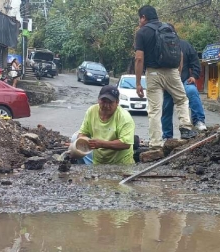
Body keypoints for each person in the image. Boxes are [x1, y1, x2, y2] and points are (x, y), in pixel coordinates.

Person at [134, 5, 196, 150]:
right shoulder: (169, 28)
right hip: (172, 71)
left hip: (153, 73)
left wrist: (138, 83)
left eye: (139, 18)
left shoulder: (142, 32)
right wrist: (178, 73)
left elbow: (138, 59)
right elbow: (179, 54)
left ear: (143, 17)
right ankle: (186, 128)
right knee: (181, 99)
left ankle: (156, 143)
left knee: (155, 109)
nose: (139, 21)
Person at [161, 26, 207, 140]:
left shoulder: (185, 45)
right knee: (166, 107)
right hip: (167, 84)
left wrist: (194, 76)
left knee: (192, 91)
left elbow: (195, 61)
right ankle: (167, 136)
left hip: (184, 81)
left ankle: (198, 121)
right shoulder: (159, 46)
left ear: (174, 34)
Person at [72, 85, 136, 165]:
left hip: (120, 163)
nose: (106, 105)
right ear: (98, 100)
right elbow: (83, 133)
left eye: (110, 102)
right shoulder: (92, 111)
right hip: (98, 161)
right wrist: (83, 142)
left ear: (117, 102)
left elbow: (126, 144)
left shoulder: (124, 117)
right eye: (103, 101)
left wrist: (101, 144)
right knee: (75, 139)